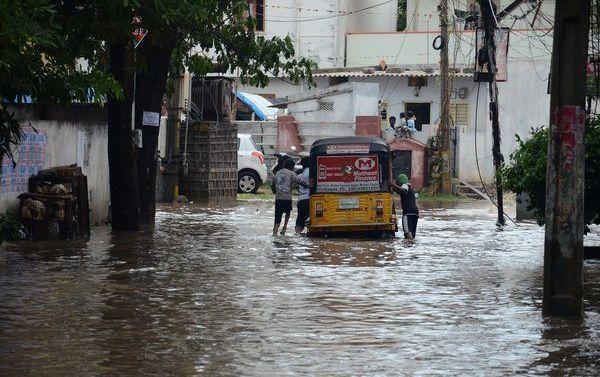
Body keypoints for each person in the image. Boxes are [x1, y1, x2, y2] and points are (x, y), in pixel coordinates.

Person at [273, 158, 307, 236]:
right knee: (287, 212)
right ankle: (285, 227)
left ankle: (275, 231)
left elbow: (273, 183)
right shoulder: (292, 174)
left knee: (277, 215)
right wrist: (307, 186)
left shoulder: (277, 173)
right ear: (292, 166)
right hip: (287, 198)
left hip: (278, 198)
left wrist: (276, 191)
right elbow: (300, 181)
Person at [392, 173, 419, 239]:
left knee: (407, 232)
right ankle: (412, 246)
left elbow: (403, 190)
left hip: (408, 213)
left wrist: (393, 185)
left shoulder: (405, 185)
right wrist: (393, 188)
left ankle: (410, 244)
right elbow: (400, 191)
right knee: (412, 233)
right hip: (415, 213)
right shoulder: (411, 189)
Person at [295, 156, 310, 234]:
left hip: (300, 200)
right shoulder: (312, 172)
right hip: (309, 199)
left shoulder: (300, 175)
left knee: (299, 220)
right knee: (309, 219)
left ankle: (297, 234)